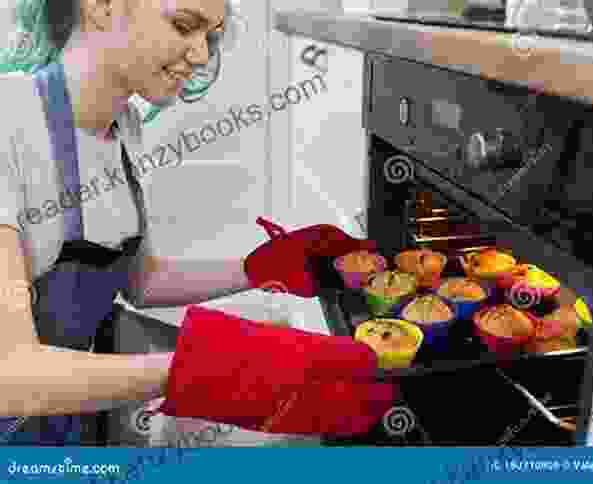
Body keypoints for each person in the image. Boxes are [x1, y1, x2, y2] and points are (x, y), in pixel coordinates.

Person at [0, 0, 396, 445]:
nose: (204, 54)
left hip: (63, 421)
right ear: (101, 6)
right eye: (185, 25)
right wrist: (213, 369)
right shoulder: (9, 120)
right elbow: (11, 376)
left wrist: (263, 266)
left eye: (209, 35)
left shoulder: (124, 126)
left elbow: (141, 282)